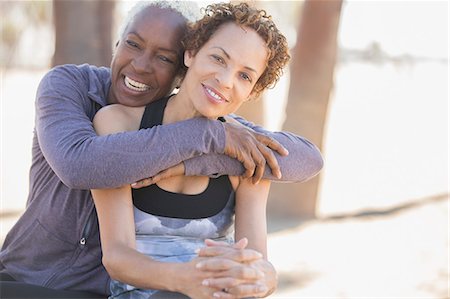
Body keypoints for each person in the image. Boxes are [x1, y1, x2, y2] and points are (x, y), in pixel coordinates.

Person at [0, 1, 323, 298]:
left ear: (180, 67)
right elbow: (79, 166)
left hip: (104, 291)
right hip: (29, 278)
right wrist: (209, 135)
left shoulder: (237, 142)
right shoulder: (76, 91)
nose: (140, 65)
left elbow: (307, 159)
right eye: (133, 44)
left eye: (163, 56)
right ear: (192, 55)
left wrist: (264, 276)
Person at [91, 2, 291, 298]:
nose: (225, 81)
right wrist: (187, 280)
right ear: (191, 53)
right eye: (218, 59)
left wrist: (262, 276)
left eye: (245, 76)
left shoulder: (248, 151)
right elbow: (117, 257)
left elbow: (255, 260)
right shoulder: (117, 123)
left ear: (253, 90)